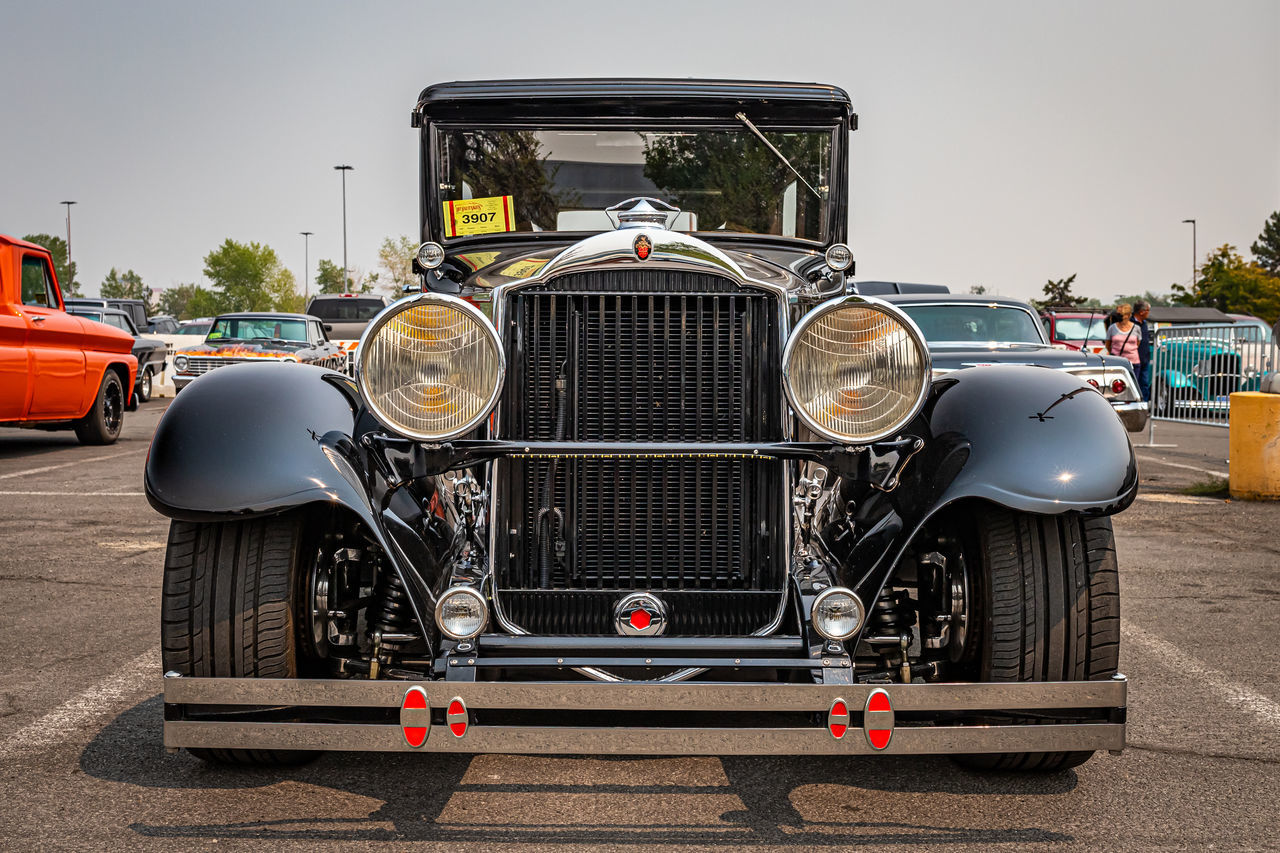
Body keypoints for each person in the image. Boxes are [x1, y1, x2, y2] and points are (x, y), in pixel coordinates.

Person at [1107, 303, 1141, 369]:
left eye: (1120, 314)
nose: (1118, 316)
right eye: (1118, 314)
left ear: (1127, 315)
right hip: (1116, 362)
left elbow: (1138, 344)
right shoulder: (1112, 328)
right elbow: (1108, 345)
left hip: (1133, 362)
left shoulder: (1136, 328)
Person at [1132, 300, 1152, 400]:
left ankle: (1144, 405)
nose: (1149, 313)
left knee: (1144, 383)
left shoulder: (1144, 323)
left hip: (1144, 359)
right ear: (1142, 312)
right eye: (1148, 310)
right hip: (1133, 360)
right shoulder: (1131, 323)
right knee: (1133, 383)